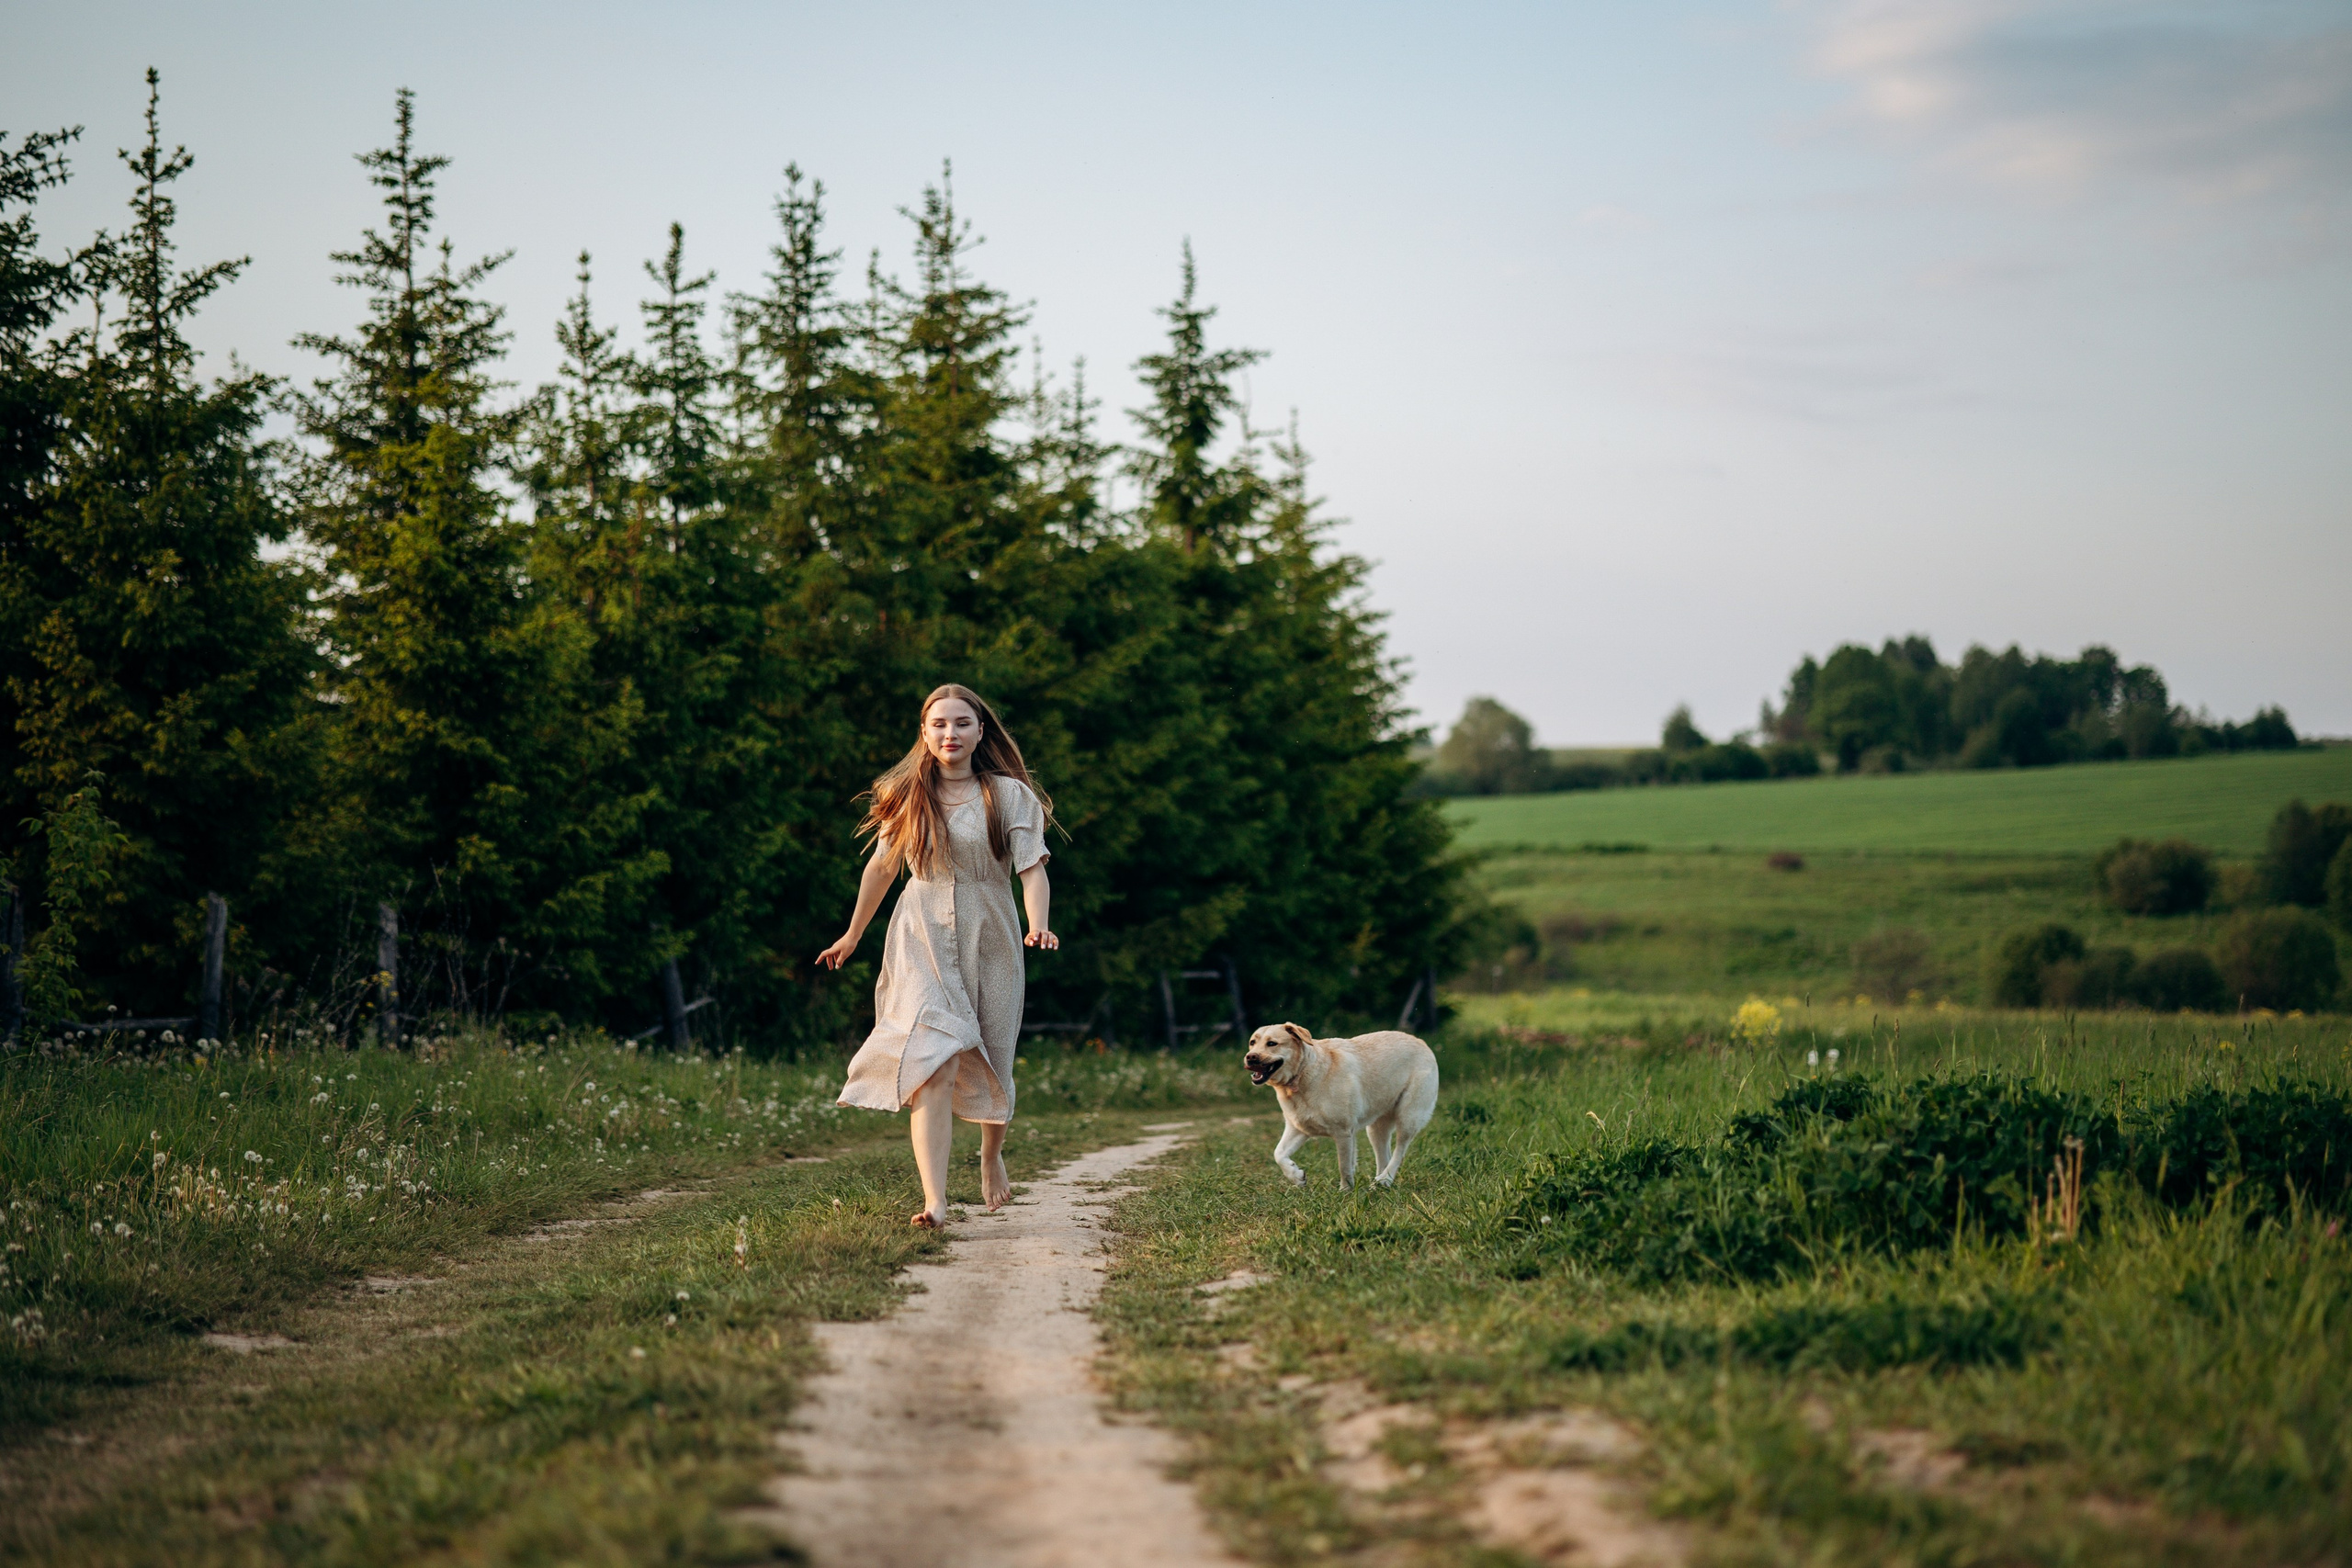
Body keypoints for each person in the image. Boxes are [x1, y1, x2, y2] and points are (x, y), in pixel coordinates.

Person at [818, 684, 1058, 1227]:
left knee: (994, 1055)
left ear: (980, 732)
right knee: (935, 1061)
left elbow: (1033, 868)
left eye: (962, 723)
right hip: (920, 933)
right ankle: (935, 1201)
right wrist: (852, 934)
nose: (950, 734)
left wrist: (1038, 925)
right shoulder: (907, 796)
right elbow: (880, 869)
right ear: (924, 734)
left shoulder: (1009, 796)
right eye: (939, 724)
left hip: (991, 933)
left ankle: (991, 1156)